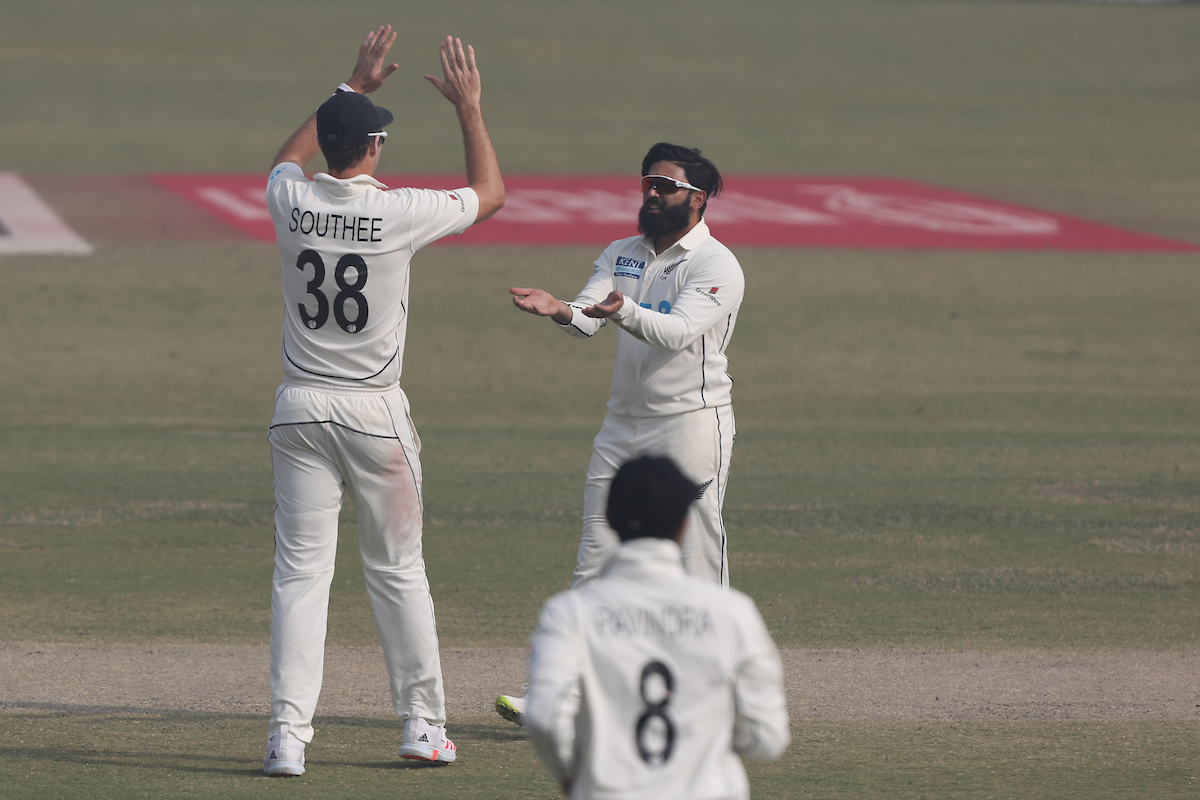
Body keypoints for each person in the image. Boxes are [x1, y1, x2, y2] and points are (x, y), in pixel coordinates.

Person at [260, 26, 504, 776]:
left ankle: (287, 738)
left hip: (300, 410)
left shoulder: (289, 199)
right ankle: (422, 727)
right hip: (373, 413)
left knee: (301, 577)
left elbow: (285, 157)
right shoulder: (399, 213)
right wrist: (468, 107)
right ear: (368, 151)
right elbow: (491, 195)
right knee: (397, 570)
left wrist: (351, 89)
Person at [498, 143, 744, 724]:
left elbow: (677, 332)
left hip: (690, 422)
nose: (652, 193)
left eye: (666, 184)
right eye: (647, 183)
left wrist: (621, 310)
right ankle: (562, 693)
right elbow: (589, 316)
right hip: (623, 423)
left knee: (695, 556)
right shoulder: (622, 252)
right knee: (595, 557)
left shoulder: (716, 264)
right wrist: (560, 309)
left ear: (698, 198)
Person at [524, 456, 790, 800]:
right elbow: (768, 737)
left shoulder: (568, 613)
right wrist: (713, 726)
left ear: (607, 519)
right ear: (683, 525)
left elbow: (546, 715)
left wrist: (570, 773)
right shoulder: (733, 612)